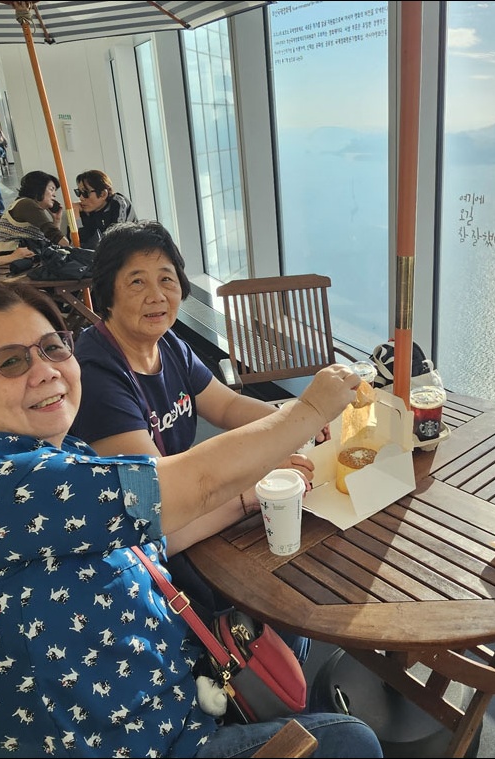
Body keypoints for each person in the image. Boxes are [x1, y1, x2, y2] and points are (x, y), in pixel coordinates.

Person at [0, 284, 380, 758]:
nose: (45, 371)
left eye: (53, 347)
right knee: (351, 742)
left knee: (287, 606)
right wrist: (310, 410)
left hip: (161, 694)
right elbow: (192, 483)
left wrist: (247, 498)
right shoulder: (2, 485)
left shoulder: (50, 459)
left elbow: (155, 535)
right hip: (129, 741)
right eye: (10, 362)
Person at [69, 221, 317, 656]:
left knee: (297, 557)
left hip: (200, 513)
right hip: (147, 554)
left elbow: (226, 406)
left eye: (167, 279)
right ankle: (266, 693)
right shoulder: (98, 375)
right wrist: (253, 484)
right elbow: (156, 504)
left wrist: (297, 426)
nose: (157, 295)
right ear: (105, 294)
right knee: (285, 587)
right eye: (137, 282)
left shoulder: (168, 346)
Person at [0, 170, 70, 254]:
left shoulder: (24, 204)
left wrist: (57, 220)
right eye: (51, 189)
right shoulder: (27, 204)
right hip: (14, 256)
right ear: (39, 188)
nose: (54, 195)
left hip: (21, 256)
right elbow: (53, 234)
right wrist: (72, 248)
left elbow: (50, 242)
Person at [73, 169, 137, 249]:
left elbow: (115, 243)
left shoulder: (119, 203)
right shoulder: (81, 210)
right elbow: (80, 246)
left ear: (103, 194)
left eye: (85, 193)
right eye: (78, 192)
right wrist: (76, 218)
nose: (81, 198)